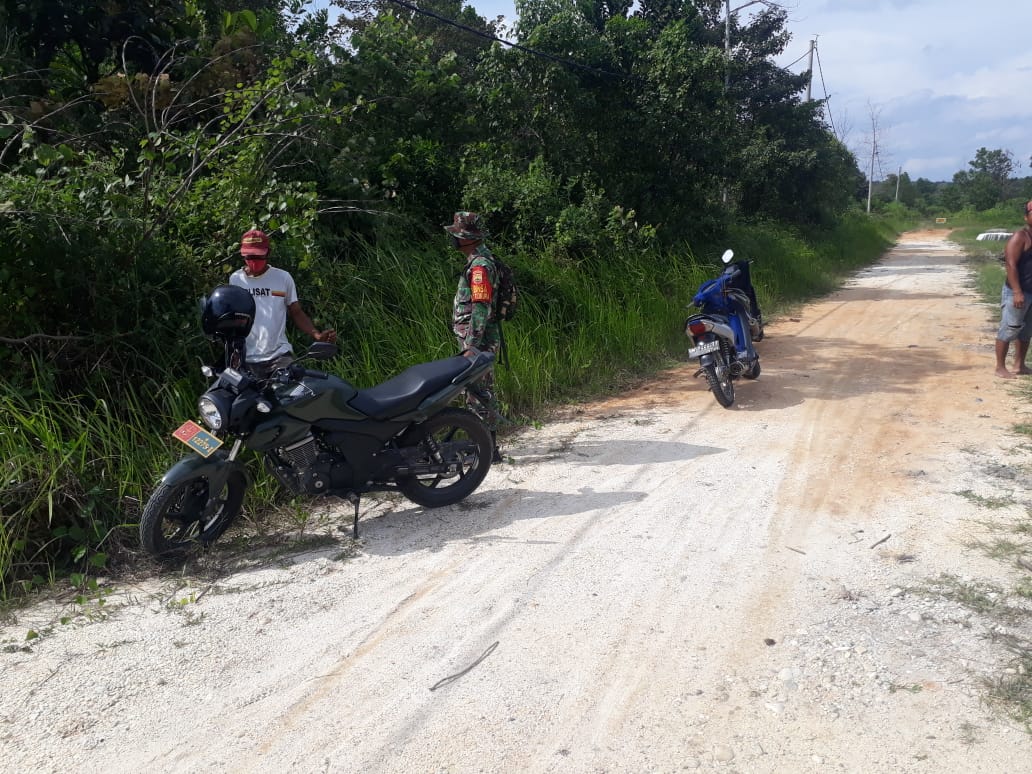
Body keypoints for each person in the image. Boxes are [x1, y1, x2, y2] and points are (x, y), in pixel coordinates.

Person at [228, 228, 336, 378]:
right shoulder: (235, 280)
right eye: (249, 256)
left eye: (258, 256)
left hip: (279, 356)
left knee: (288, 395)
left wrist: (316, 335)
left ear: (268, 253)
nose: (253, 261)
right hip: (246, 357)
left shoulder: (282, 278)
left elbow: (296, 311)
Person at [445, 211, 504, 463]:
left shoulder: (480, 266)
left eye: (457, 235)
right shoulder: (480, 260)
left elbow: (481, 307)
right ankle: (486, 446)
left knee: (478, 392)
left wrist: (471, 345)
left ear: (467, 238)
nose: (454, 239)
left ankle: (487, 449)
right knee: (479, 390)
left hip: (479, 341)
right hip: (480, 339)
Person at [995, 201, 1032, 379]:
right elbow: (1010, 265)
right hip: (1017, 292)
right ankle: (1000, 367)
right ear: (1026, 217)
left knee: (1026, 331)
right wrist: (1017, 291)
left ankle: (1019, 365)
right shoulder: (1021, 237)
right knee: (1009, 328)